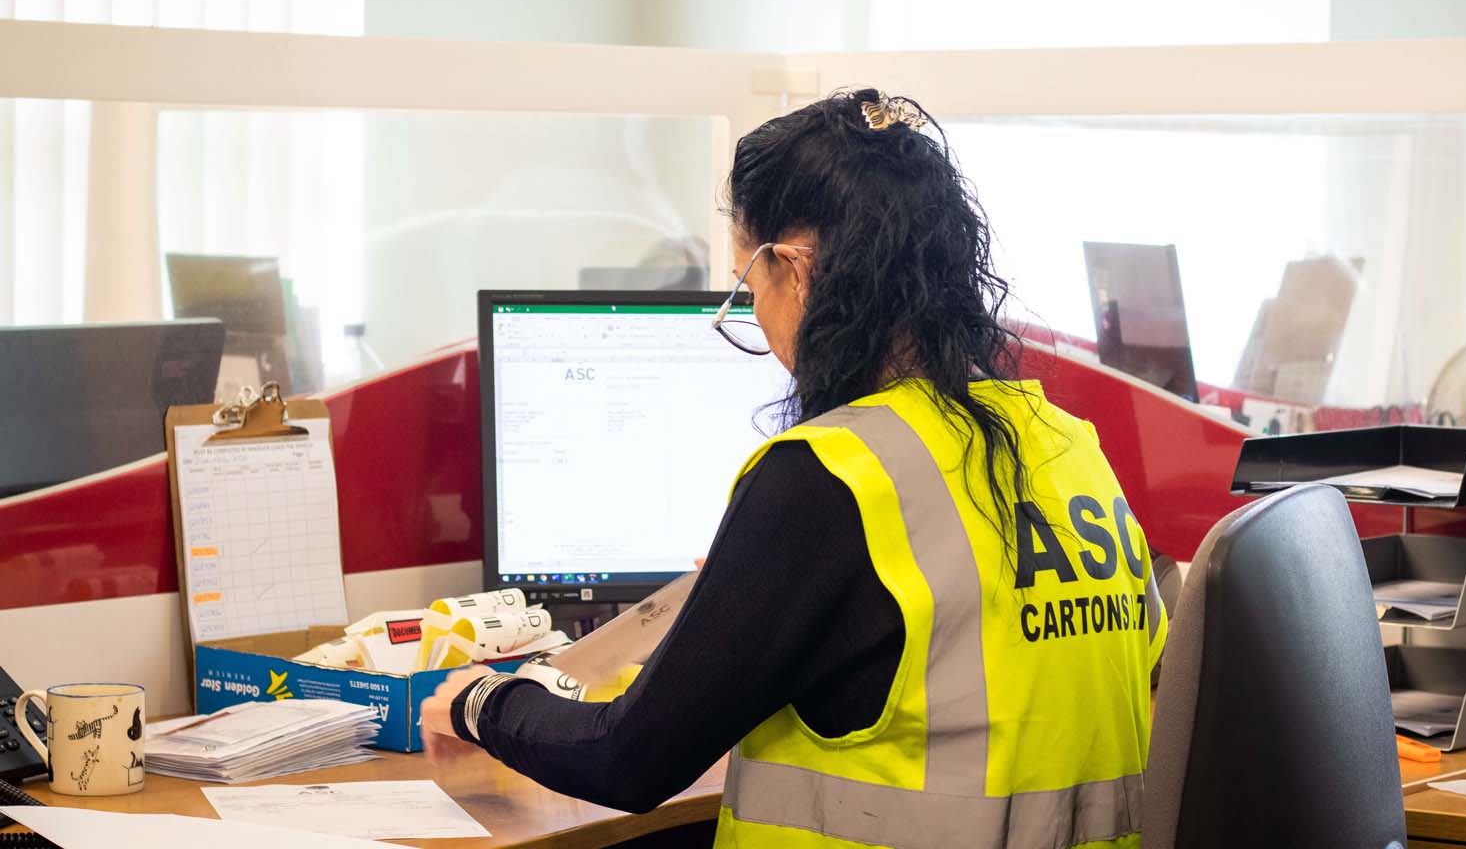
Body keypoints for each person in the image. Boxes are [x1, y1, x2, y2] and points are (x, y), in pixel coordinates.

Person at [421, 88, 1165, 848]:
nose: (757, 312)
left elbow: (628, 760)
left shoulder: (832, 476)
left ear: (796, 269)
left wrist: (483, 700)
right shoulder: (1066, 444)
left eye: (750, 281)